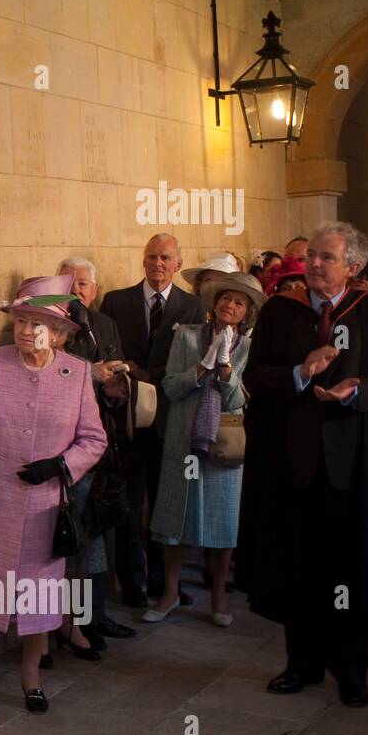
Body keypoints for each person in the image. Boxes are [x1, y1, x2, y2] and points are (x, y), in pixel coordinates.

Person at [239, 222, 368, 707]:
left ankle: (350, 670)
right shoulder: (281, 313)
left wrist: (358, 392)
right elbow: (255, 376)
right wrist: (299, 374)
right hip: (294, 459)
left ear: (352, 267)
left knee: (352, 568)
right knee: (298, 564)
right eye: (312, 257)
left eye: (327, 257)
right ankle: (301, 664)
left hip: (353, 461)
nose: (314, 264)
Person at [0, 274, 107, 716]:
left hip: (44, 506)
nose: (25, 330)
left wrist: (60, 467)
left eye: (37, 323)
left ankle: (31, 676)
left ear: (57, 334)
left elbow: (94, 440)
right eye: (20, 319)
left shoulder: (75, 374)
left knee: (38, 599)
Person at [144, 272, 264, 627]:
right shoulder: (187, 335)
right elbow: (170, 386)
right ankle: (170, 592)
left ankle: (218, 596)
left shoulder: (249, 347)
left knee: (223, 519)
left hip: (224, 444)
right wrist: (202, 367)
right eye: (226, 298)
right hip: (183, 439)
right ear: (214, 303)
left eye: (239, 302)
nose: (230, 305)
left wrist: (226, 370)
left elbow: (241, 399)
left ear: (247, 313)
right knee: (174, 517)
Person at [99, 234, 205, 608]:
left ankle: (165, 584)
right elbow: (109, 351)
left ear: (178, 263)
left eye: (165, 258)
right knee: (129, 502)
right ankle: (132, 586)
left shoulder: (192, 307)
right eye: (151, 257)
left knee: (165, 503)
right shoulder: (116, 301)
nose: (158, 264)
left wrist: (142, 372)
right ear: (143, 261)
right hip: (127, 418)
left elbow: (187, 361)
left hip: (169, 418)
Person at [57, 257, 136, 651]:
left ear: (94, 289)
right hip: (65, 448)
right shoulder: (54, 326)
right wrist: (93, 372)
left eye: (84, 284)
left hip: (102, 439)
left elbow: (118, 374)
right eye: (70, 283)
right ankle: (72, 624)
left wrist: (115, 381)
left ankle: (96, 616)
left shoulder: (103, 324)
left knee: (99, 531)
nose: (78, 290)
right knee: (74, 537)